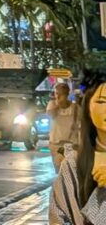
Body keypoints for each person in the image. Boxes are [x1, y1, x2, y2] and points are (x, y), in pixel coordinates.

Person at [51, 76, 106, 224]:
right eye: (101, 102)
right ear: (88, 108)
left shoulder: (74, 108)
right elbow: (58, 217)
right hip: (58, 145)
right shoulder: (73, 163)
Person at [48, 82, 80, 172]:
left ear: (67, 94)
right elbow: (50, 114)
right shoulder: (52, 104)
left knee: (71, 172)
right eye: (56, 93)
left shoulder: (76, 108)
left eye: (60, 94)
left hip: (72, 144)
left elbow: (81, 125)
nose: (57, 96)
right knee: (60, 171)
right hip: (56, 145)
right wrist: (58, 104)